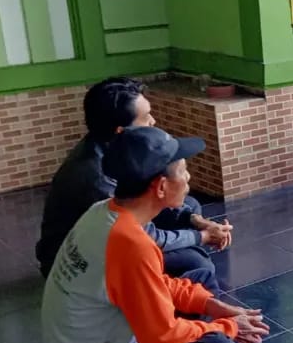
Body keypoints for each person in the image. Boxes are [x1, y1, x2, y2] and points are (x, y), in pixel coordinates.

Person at [42, 126, 269, 343]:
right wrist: (230, 327)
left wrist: (214, 307)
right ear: (160, 187)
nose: (188, 179)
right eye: (183, 172)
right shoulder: (130, 243)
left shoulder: (104, 211)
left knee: (198, 277)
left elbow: (156, 282)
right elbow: (161, 335)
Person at [36, 77, 232, 285]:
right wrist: (201, 237)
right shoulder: (98, 178)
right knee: (196, 263)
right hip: (82, 264)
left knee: (189, 206)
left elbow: (148, 201)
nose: (153, 121)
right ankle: (163, 288)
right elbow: (140, 234)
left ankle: (171, 272)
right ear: (121, 131)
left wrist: (194, 220)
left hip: (115, 236)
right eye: (146, 117)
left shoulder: (115, 148)